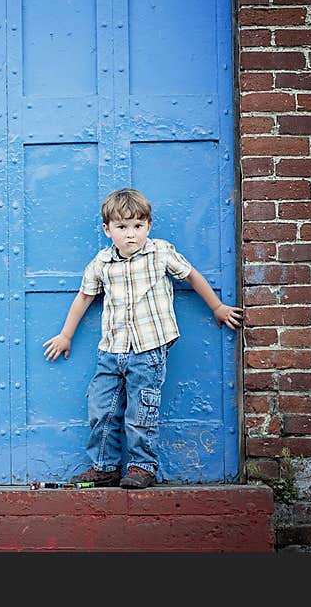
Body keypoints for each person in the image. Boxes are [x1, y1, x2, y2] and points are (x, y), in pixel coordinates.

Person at [42, 188, 243, 489]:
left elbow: (191, 275)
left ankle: (141, 466)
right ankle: (104, 466)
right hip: (111, 349)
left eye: (138, 226)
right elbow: (84, 298)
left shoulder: (160, 252)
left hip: (148, 349)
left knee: (141, 409)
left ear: (149, 226)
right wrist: (66, 335)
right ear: (107, 230)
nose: (131, 235)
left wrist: (216, 306)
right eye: (122, 228)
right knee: (101, 409)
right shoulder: (101, 263)